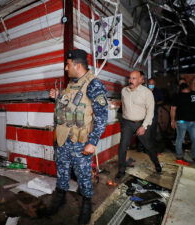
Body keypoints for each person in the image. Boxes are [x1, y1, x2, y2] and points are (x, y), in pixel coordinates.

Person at [47, 49, 108, 224]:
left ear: (77, 65)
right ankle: (60, 198)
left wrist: (93, 142)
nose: (66, 68)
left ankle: (87, 205)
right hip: (63, 140)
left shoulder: (94, 84)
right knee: (62, 172)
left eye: (68, 65)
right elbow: (70, 106)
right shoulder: (72, 83)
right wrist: (57, 97)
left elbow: (102, 117)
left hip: (80, 143)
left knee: (83, 175)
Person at [115, 70, 162, 180]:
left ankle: (157, 164)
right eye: (130, 78)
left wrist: (144, 126)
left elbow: (150, 111)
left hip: (141, 123)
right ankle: (121, 170)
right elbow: (124, 106)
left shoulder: (147, 93)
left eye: (134, 78)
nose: (130, 80)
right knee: (122, 146)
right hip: (127, 123)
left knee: (149, 146)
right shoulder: (124, 91)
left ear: (141, 80)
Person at [170, 80, 195, 163]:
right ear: (180, 87)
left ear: (188, 85)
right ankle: (179, 156)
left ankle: (194, 155)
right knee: (180, 139)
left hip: (194, 122)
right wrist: (172, 120)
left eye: (183, 83)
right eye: (180, 84)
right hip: (181, 121)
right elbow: (173, 109)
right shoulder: (177, 96)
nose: (182, 85)